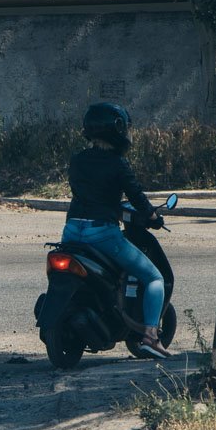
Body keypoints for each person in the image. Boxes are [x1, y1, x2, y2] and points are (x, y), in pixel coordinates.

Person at [63, 102, 173, 359]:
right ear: (119, 130)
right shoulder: (118, 164)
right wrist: (154, 217)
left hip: (71, 232)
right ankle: (150, 337)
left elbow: (85, 193)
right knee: (154, 278)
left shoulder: (77, 161)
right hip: (102, 233)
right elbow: (138, 200)